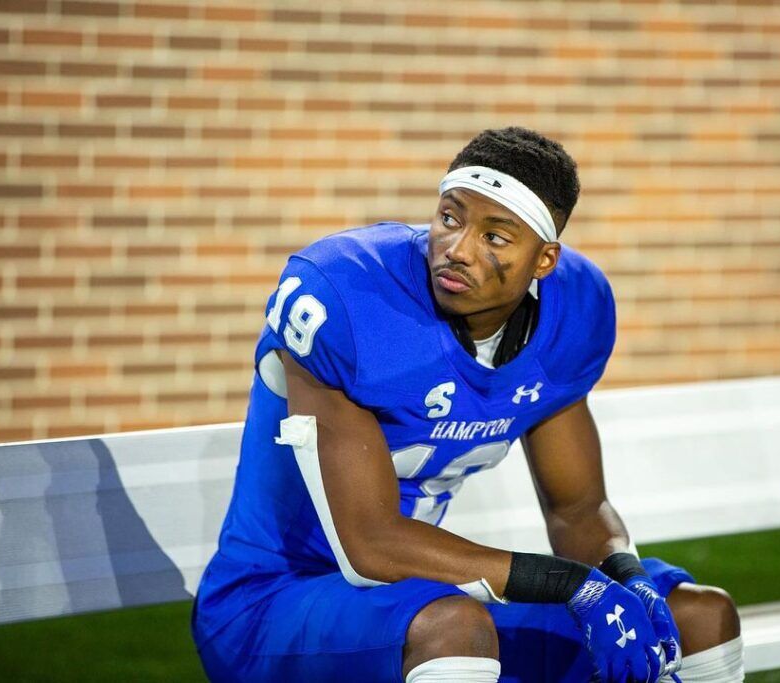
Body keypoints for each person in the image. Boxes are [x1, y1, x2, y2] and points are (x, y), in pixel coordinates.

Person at [191, 126, 743, 683]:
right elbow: (371, 543)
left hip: (425, 594)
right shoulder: (350, 295)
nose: (457, 250)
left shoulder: (572, 311)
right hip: (276, 599)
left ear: (544, 259)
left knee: (695, 614)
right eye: (450, 218)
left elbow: (576, 510)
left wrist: (623, 572)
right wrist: (570, 583)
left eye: (495, 237)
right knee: (455, 626)